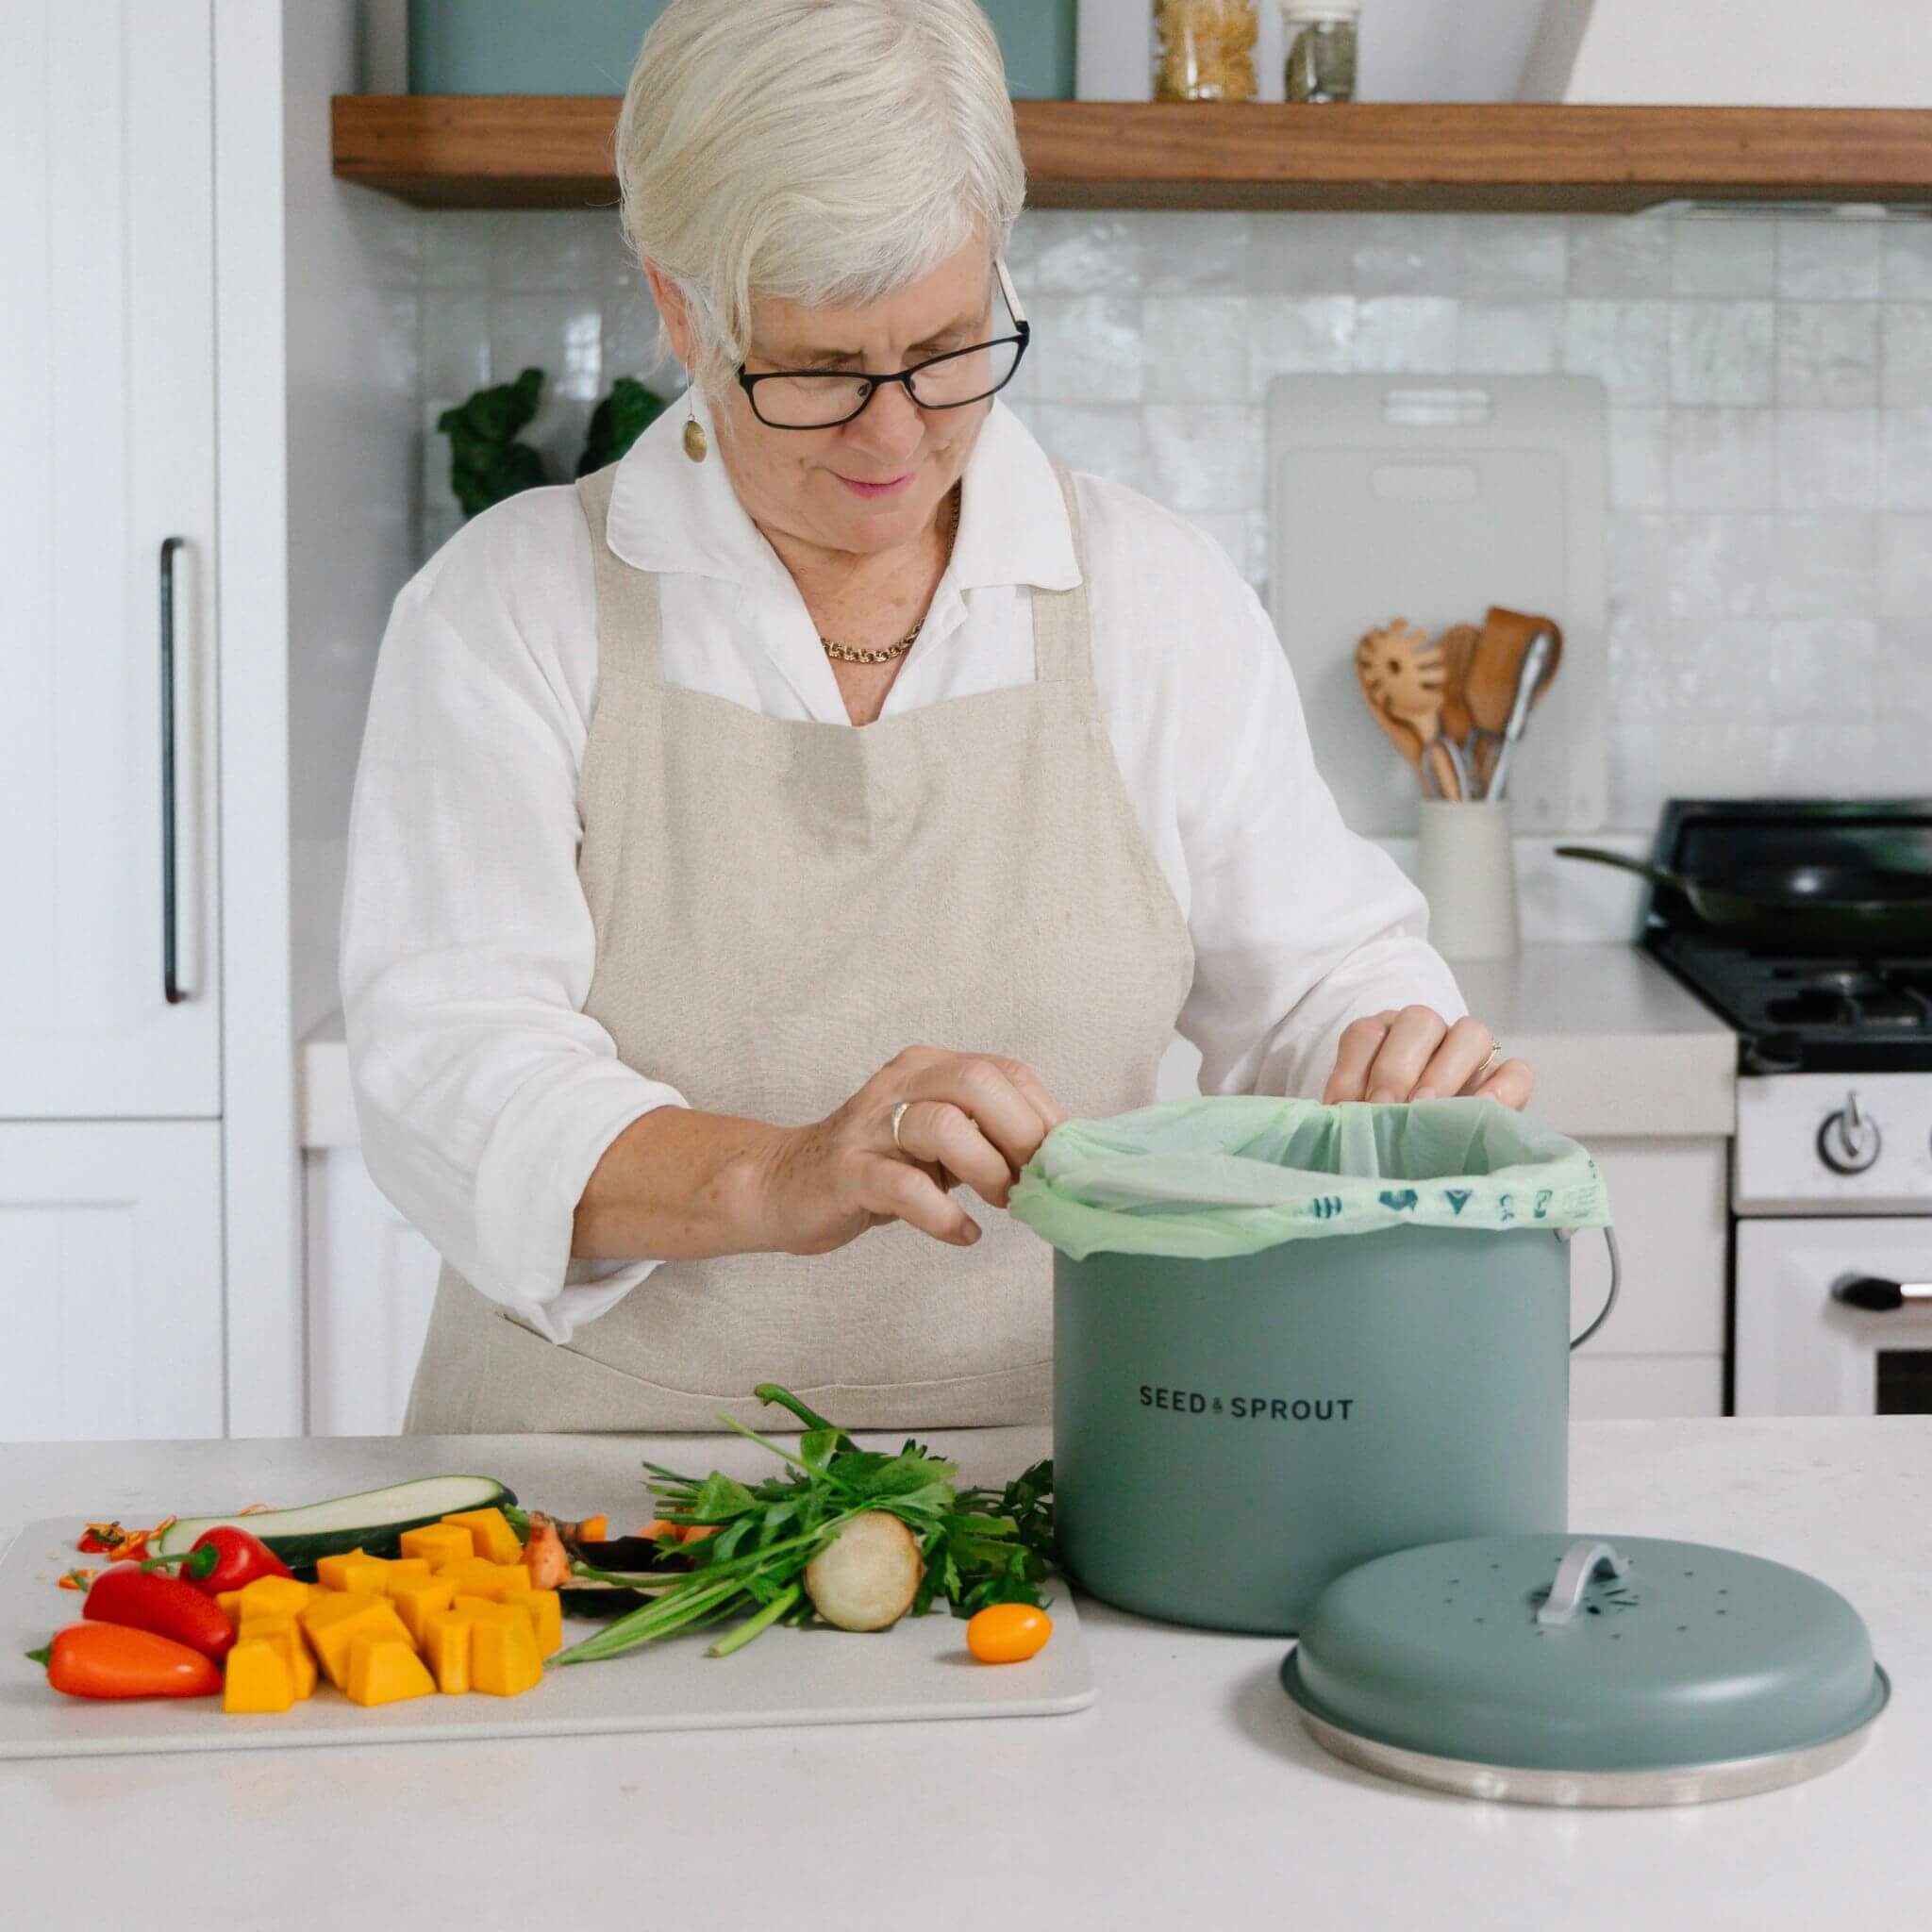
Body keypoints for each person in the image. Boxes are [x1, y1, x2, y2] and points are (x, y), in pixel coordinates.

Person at [341, 0, 1533, 1435]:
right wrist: (780, 1175)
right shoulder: (511, 608)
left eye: (948, 347)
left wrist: (1384, 1049)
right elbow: (454, 1079)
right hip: (583, 1515)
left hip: (1056, 1484)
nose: (896, 434)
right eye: (822, 372)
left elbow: (1312, 985)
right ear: (676, 304)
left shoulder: (1150, 596)